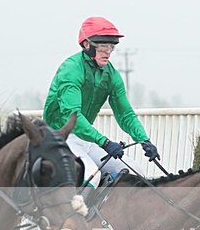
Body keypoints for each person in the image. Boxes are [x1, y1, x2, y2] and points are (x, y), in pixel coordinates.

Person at [43, 16, 159, 188]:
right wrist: (104, 142)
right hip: (59, 137)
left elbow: (125, 113)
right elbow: (72, 117)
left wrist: (144, 140)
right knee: (91, 176)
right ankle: (75, 215)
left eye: (111, 47)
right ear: (87, 45)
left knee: (136, 171)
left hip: (84, 140)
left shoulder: (111, 75)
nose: (108, 52)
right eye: (103, 46)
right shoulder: (71, 70)